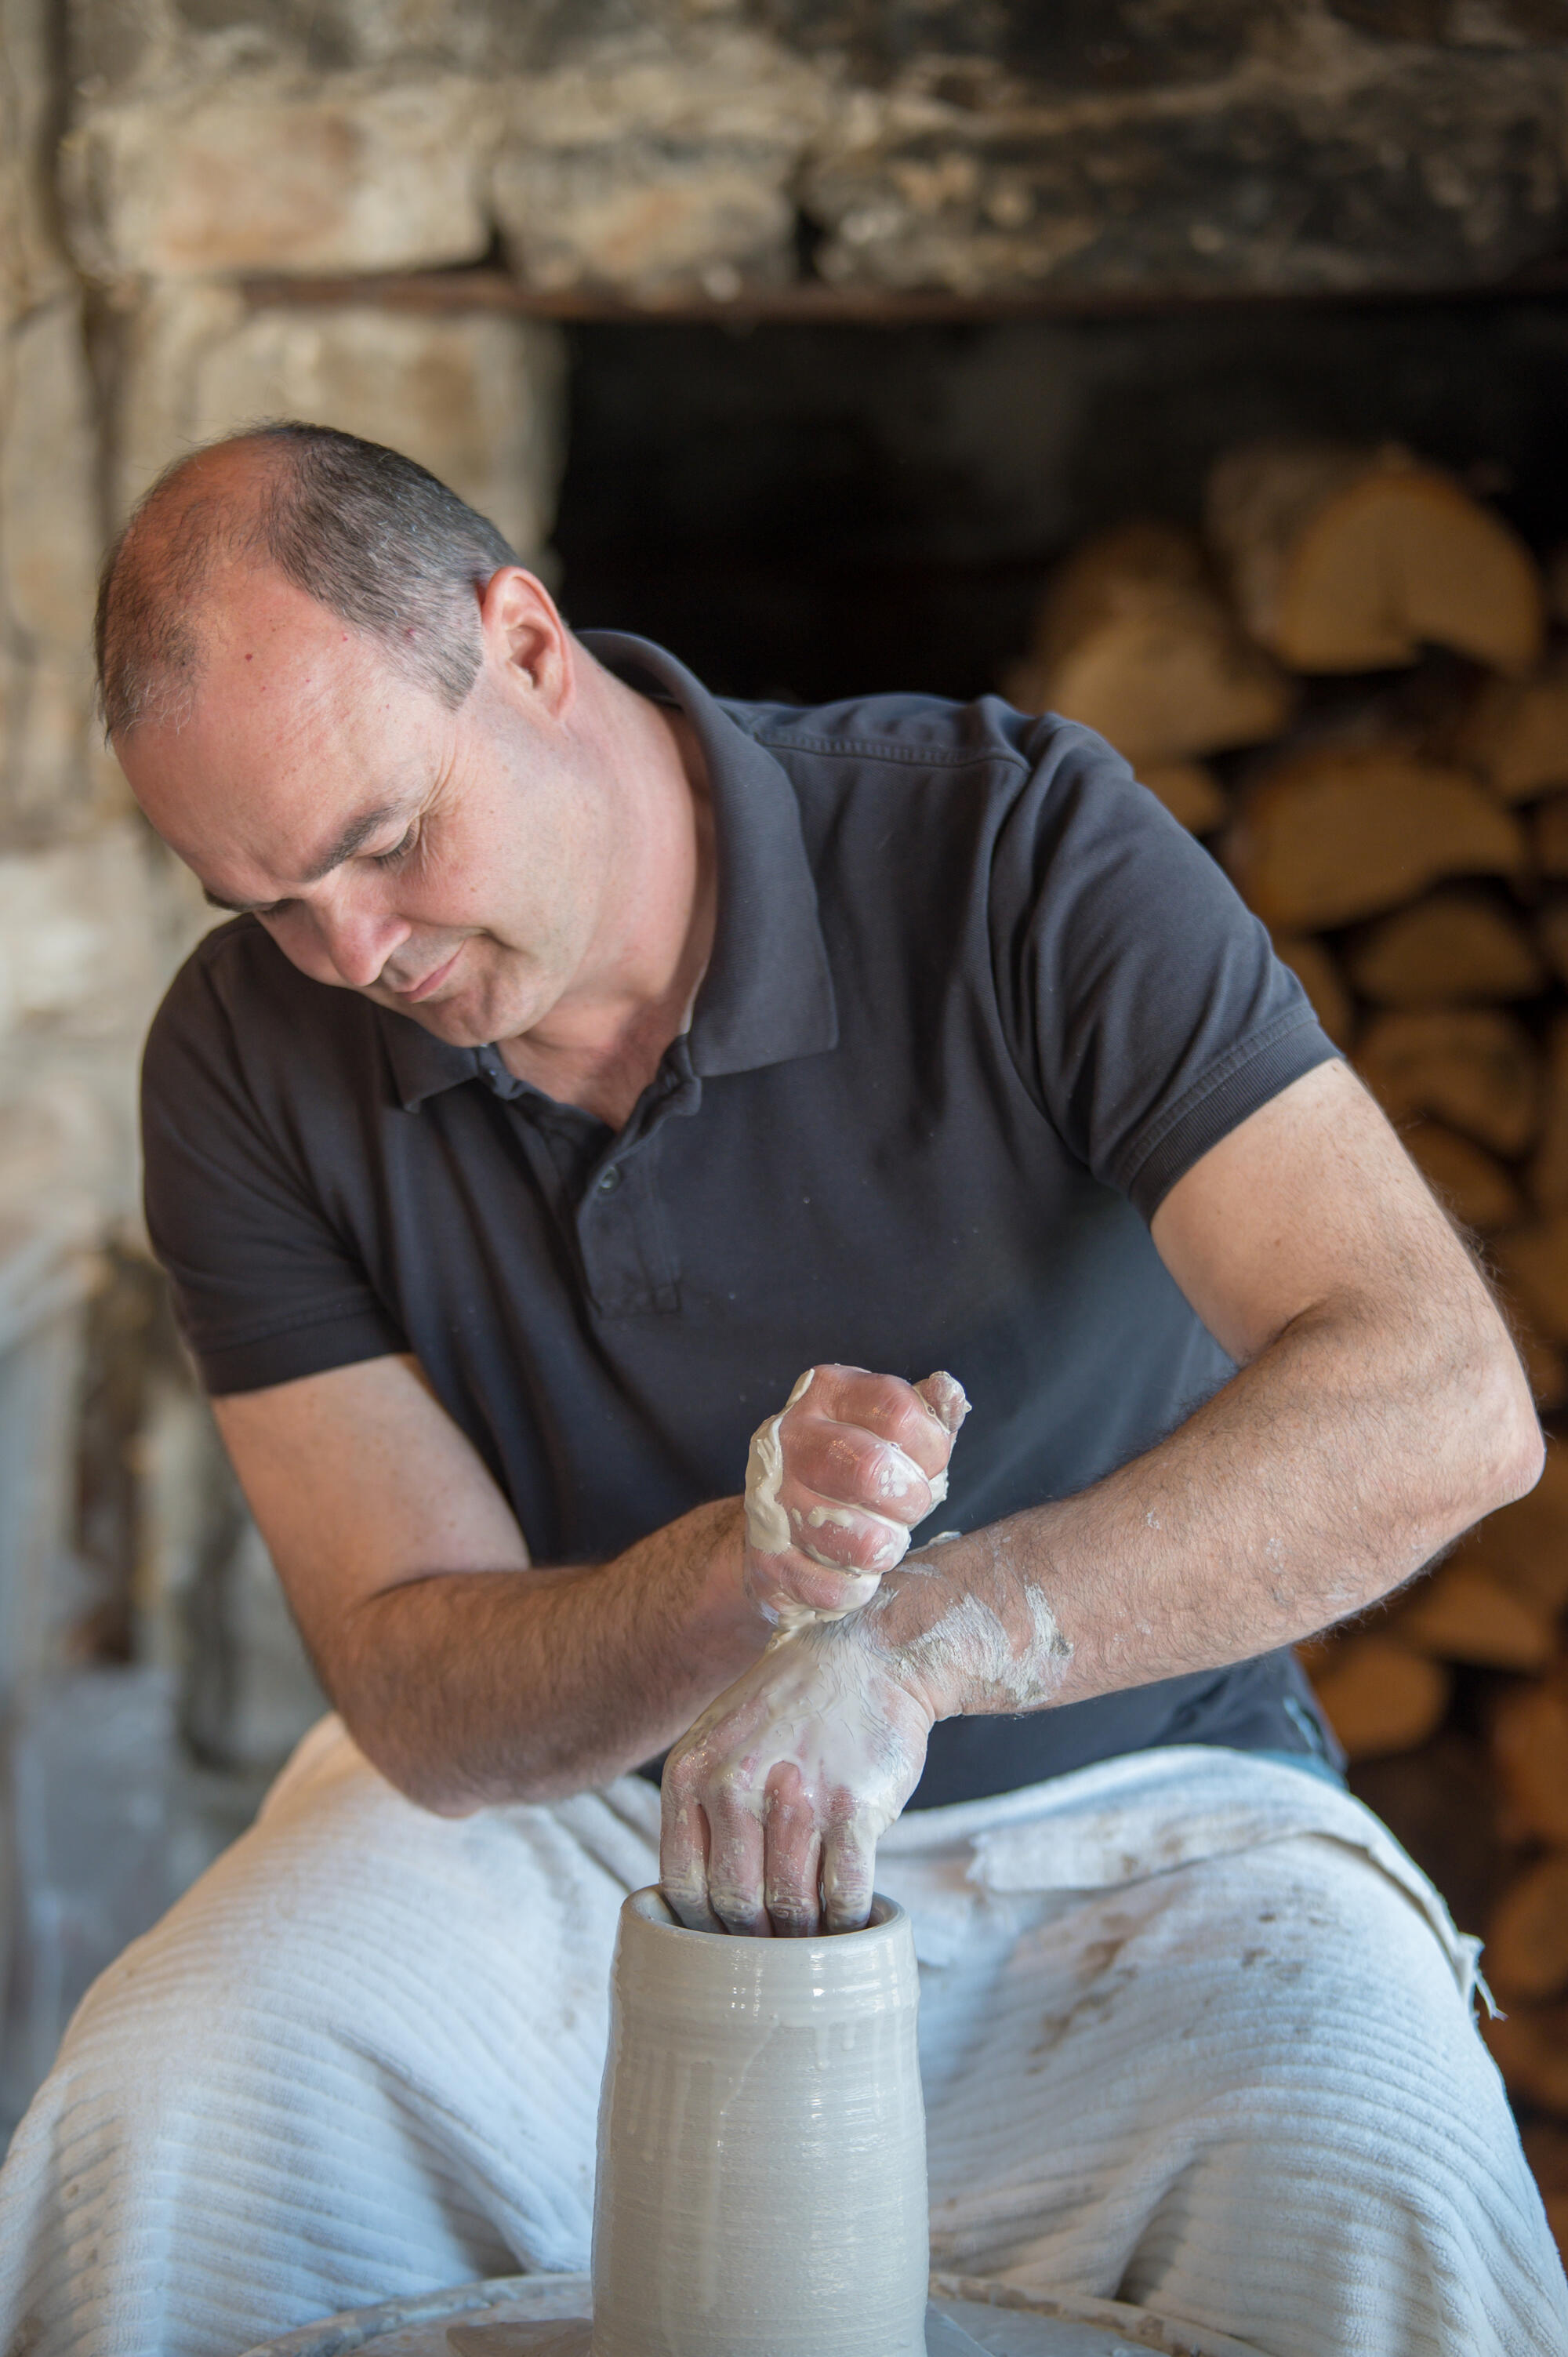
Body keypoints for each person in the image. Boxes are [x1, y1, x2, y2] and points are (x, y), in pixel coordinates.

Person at [0, 421, 1563, 2357]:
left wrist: (913, 1645)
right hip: (566, 1833)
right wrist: (748, 1576)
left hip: (1130, 1807)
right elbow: (417, 1688)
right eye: (265, 904)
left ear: (527, 642)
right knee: (162, 2107)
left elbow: (1442, 1397)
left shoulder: (1015, 847)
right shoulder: (244, 1058)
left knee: (1382, 2166)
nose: (355, 955)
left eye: (385, 842)